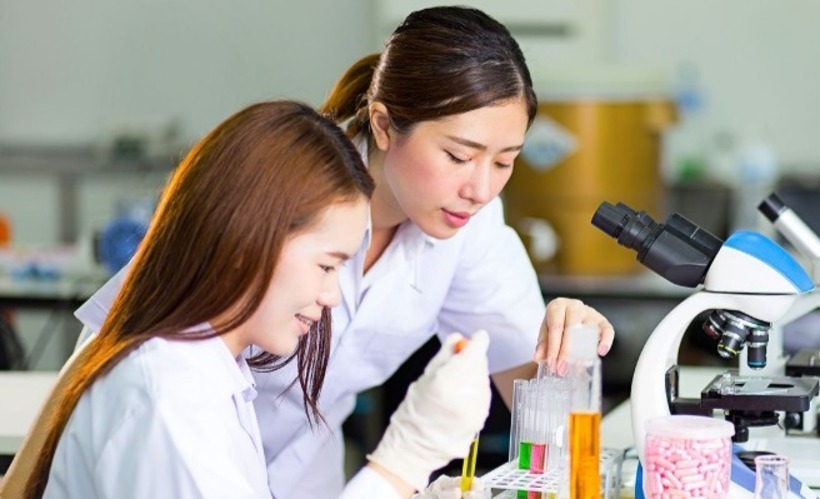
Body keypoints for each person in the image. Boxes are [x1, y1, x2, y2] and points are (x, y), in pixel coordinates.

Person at [73, 6, 616, 497]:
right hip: (179, 452)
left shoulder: (468, 227)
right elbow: (119, 349)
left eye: (504, 162)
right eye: (457, 155)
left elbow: (538, 395)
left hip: (304, 475)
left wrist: (569, 356)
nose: (480, 188)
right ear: (383, 125)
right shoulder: (287, 186)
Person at [8, 101, 492, 498]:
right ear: (249, 242)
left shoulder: (217, 372)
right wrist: (399, 464)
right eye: (327, 266)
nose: (330, 296)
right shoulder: (170, 397)